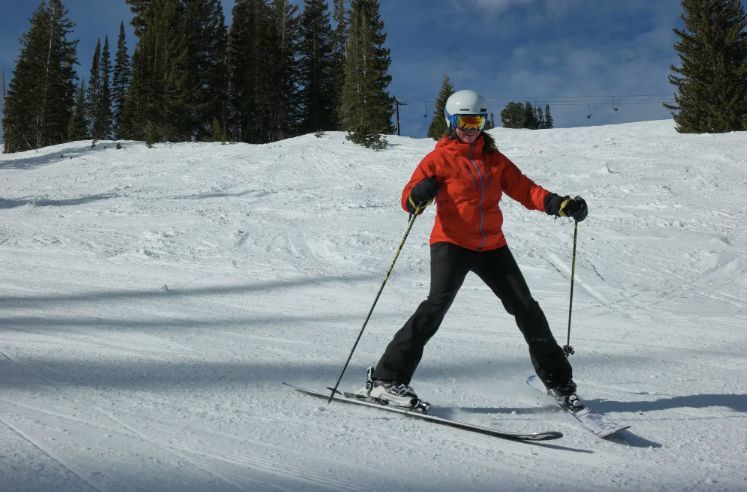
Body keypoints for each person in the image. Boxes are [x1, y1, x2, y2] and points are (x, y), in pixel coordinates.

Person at [358, 90, 588, 410]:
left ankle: (558, 380)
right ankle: (387, 379)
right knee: (435, 307)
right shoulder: (437, 160)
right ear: (451, 122)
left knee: (527, 309)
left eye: (477, 121)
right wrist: (418, 195)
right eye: (465, 121)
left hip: (492, 245)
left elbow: (526, 189)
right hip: (451, 243)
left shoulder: (493, 160)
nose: (471, 128)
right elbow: (408, 199)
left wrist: (559, 204)